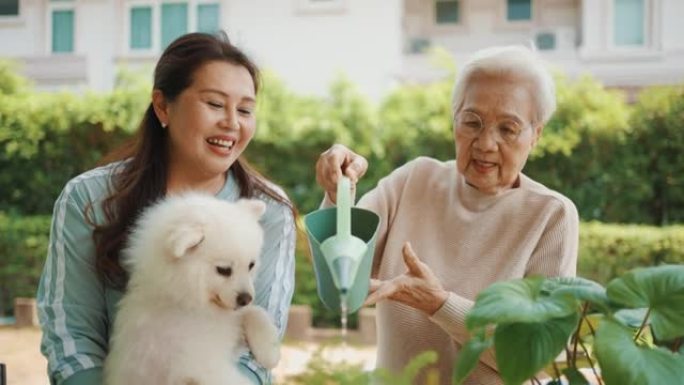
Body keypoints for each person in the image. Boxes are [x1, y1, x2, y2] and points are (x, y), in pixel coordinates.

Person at [36, 32, 296, 385]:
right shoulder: (90, 197)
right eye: (215, 104)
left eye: (246, 109)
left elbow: (255, 356)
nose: (232, 123)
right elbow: (71, 334)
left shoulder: (269, 210)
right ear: (162, 106)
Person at [315, 46, 578, 385]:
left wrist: (440, 305)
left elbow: (539, 356)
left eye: (508, 129)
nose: (485, 143)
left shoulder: (551, 215)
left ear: (536, 134)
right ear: (454, 120)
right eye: (472, 122)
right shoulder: (414, 180)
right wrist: (340, 192)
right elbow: (340, 280)